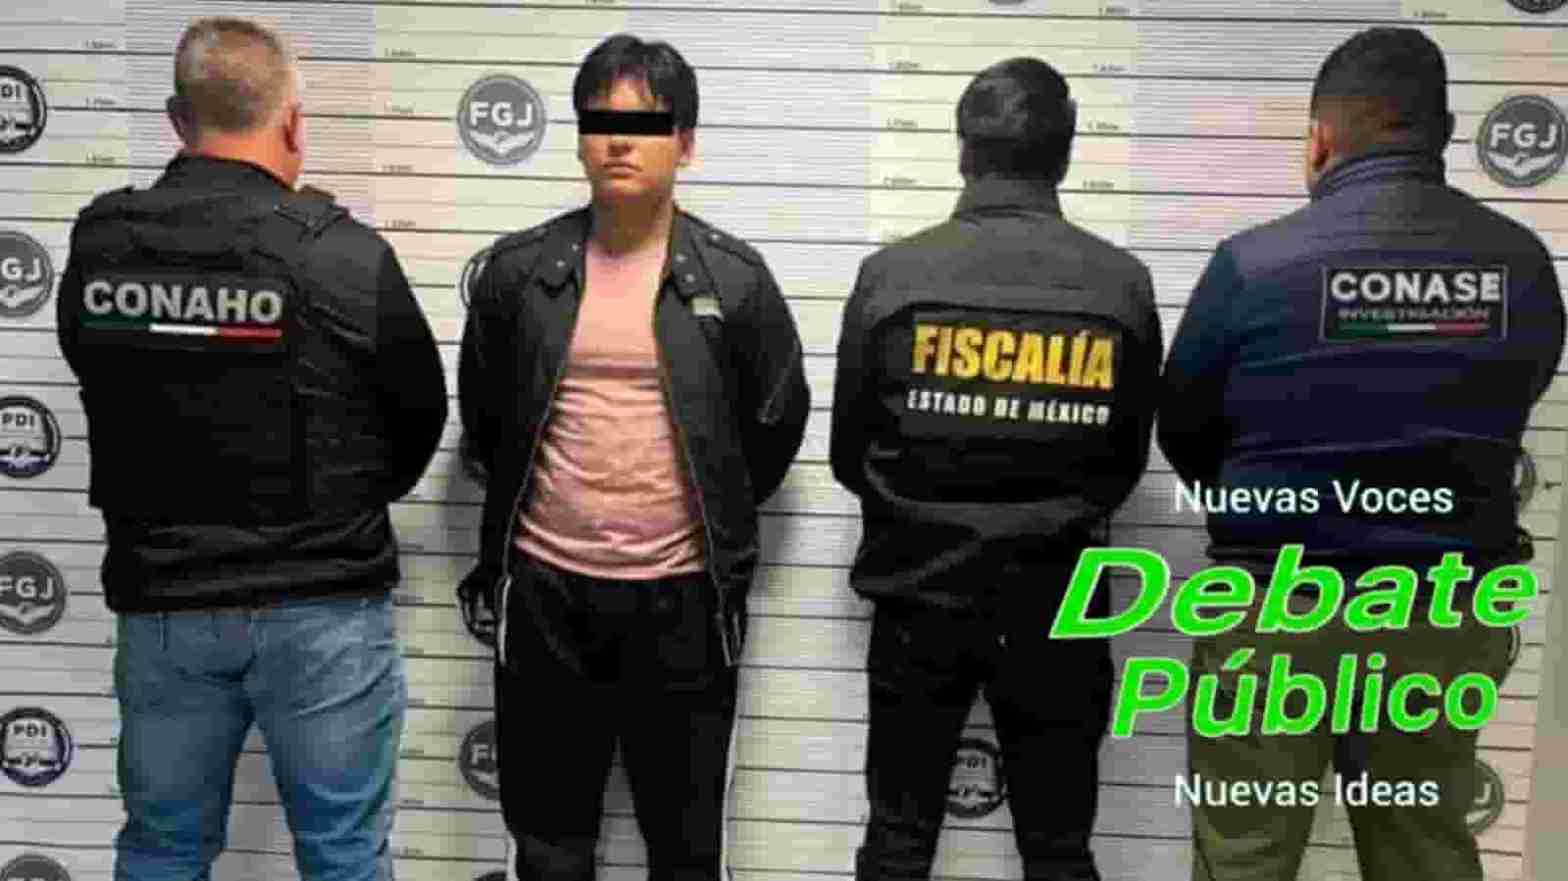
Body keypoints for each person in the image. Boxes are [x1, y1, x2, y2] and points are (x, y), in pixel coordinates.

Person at [1158, 27, 1565, 881]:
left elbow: (1184, 428)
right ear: (1441, 134)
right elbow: (1513, 401)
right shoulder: (1522, 265)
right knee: (1424, 854)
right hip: (1441, 614)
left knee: (1242, 861)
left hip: (1277, 610)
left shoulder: (1253, 264)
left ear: (1320, 139)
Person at [54, 17, 447, 881]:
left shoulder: (102, 246)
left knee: (162, 850)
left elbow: (95, 369)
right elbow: (419, 417)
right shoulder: (343, 254)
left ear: (176, 118)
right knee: (344, 857)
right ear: (294, 122)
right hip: (322, 610)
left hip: (165, 605)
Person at [456, 34, 810, 881]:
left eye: (646, 124)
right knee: (550, 846)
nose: (620, 142)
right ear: (581, 139)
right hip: (545, 596)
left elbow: (773, 428)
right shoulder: (517, 274)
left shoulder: (735, 281)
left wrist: (704, 519)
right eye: (601, 122)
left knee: (686, 852)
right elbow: (487, 420)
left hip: (684, 601)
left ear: (684, 144)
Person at [829, 57, 1163, 881]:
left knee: (898, 843)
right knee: (1059, 850)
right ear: (1065, 154)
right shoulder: (1119, 286)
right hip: (1058, 606)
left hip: (920, 599)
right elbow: (1123, 463)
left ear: (963, 151)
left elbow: (850, 451)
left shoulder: (892, 277)